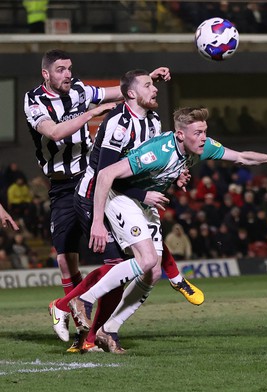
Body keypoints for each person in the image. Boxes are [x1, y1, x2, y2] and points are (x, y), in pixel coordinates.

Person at [68, 107, 267, 353]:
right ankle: (84, 299)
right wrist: (98, 221)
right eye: (197, 133)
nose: (203, 138)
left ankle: (109, 330)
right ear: (179, 135)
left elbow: (240, 157)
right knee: (147, 260)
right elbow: (106, 174)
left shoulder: (203, 146)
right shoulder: (157, 152)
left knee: (153, 273)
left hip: (146, 202)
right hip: (122, 198)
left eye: (205, 132)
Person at [24, 49, 170, 352]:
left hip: (92, 179)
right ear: (46, 74)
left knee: (118, 260)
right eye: (61, 70)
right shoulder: (34, 100)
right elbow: (52, 132)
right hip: (62, 186)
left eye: (70, 68)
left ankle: (88, 329)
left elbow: (114, 91)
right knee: (66, 262)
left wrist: (147, 80)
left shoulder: (78, 89)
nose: (68, 74)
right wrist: (91, 113)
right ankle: (78, 321)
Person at [50, 69, 204, 353]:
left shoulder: (154, 121)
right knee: (118, 268)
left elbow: (149, 167)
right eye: (148, 85)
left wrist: (175, 174)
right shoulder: (117, 124)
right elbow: (104, 175)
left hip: (124, 197)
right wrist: (97, 221)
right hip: (94, 197)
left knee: (133, 269)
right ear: (132, 93)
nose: (155, 89)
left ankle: (89, 328)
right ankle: (78, 321)